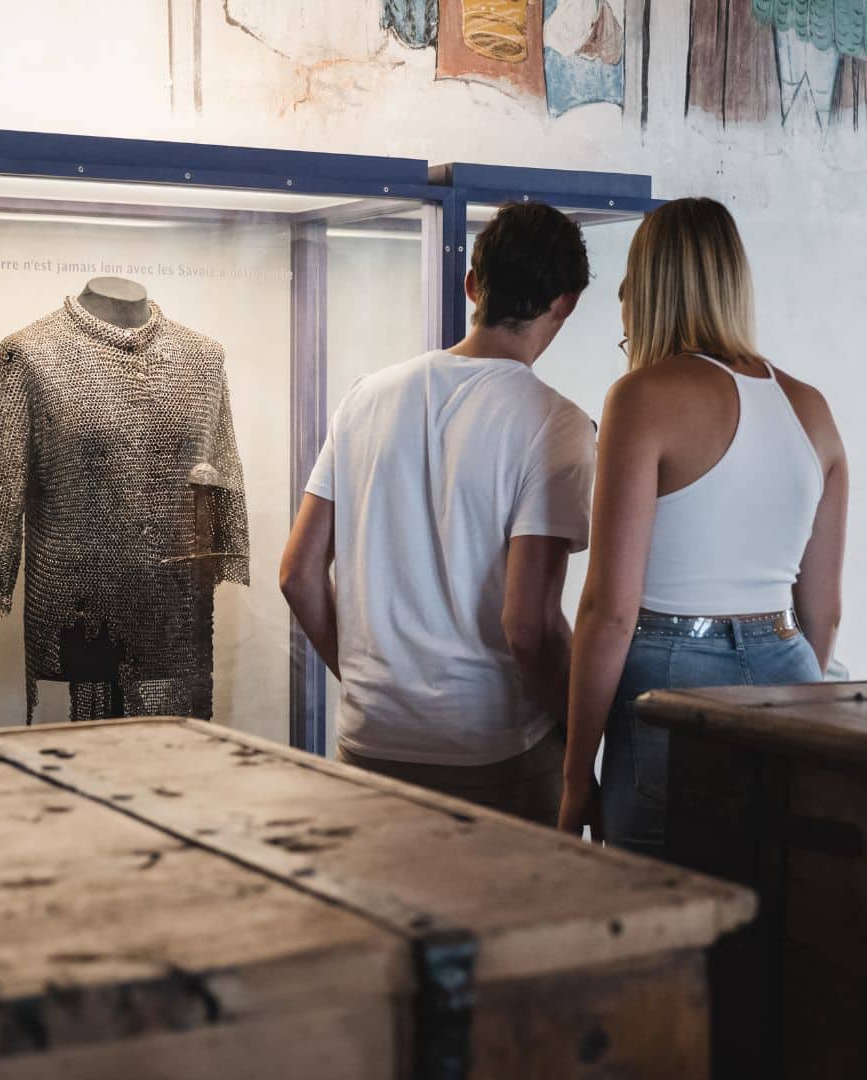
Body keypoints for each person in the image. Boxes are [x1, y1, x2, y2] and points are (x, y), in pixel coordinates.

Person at [279, 202, 595, 824]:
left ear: (472, 283)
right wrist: (584, 748)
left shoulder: (366, 396)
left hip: (371, 743)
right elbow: (528, 626)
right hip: (495, 753)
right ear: (566, 302)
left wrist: (371, 682)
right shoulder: (557, 423)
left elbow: (298, 574)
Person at [558, 197, 847, 855]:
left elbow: (608, 611)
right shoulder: (813, 408)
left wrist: (577, 776)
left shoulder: (642, 397)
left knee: (664, 910)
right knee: (781, 908)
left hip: (668, 679)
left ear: (646, 289)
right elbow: (823, 610)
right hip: (790, 669)